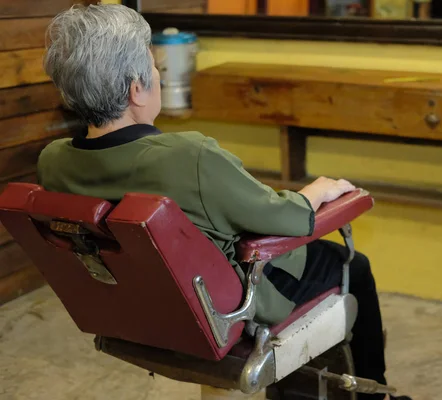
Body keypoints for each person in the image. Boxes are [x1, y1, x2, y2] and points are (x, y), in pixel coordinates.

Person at [39, 4, 410, 400]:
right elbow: (279, 217)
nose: (159, 75)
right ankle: (376, 396)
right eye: (154, 66)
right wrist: (316, 193)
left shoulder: (54, 162)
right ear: (135, 89)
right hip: (224, 307)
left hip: (144, 309)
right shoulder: (188, 157)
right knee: (353, 265)